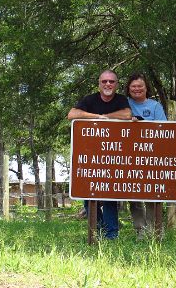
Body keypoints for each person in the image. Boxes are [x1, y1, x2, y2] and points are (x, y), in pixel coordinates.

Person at [68, 69, 132, 239]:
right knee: (89, 197)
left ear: (116, 84)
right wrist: (97, 117)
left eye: (111, 81)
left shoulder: (121, 100)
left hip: (113, 157)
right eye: (104, 81)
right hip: (91, 157)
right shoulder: (90, 100)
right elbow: (72, 114)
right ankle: (100, 229)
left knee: (111, 197)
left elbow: (127, 114)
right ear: (99, 84)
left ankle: (112, 234)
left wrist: (106, 117)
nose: (108, 84)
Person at [125, 72, 167, 239]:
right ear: (129, 88)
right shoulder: (124, 104)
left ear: (146, 88)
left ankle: (155, 230)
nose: (137, 89)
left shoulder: (155, 106)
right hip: (129, 157)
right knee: (133, 196)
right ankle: (140, 231)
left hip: (151, 157)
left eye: (140, 86)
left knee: (152, 194)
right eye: (133, 86)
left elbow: (164, 129)